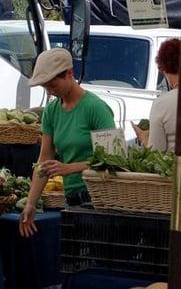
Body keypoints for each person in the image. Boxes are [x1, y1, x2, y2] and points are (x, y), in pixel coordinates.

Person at [19, 48, 115, 237]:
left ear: (69, 74)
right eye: (46, 87)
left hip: (98, 199)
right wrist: (31, 203)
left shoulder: (96, 108)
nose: (50, 92)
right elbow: (44, 159)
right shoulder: (51, 111)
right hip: (71, 199)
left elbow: (114, 160)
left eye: (53, 85)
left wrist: (70, 168)